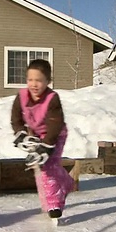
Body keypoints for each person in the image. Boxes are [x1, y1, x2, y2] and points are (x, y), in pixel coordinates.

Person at [11, 59, 74, 220]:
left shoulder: (52, 98)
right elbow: (16, 118)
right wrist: (21, 133)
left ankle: (54, 204)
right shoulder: (22, 96)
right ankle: (66, 182)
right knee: (44, 167)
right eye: (30, 80)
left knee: (48, 167)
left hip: (56, 134)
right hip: (36, 135)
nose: (34, 84)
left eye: (38, 80)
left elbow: (55, 123)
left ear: (48, 81)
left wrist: (46, 146)